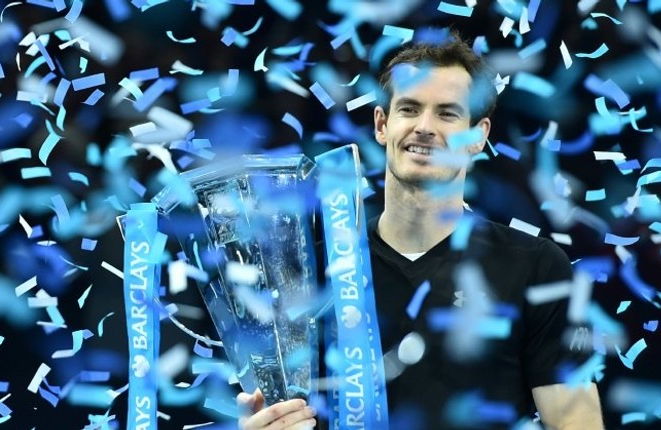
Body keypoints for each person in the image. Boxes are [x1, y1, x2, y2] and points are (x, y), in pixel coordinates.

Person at [237, 31, 605, 430]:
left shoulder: (536, 268)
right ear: (382, 125)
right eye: (409, 109)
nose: (425, 127)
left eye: (447, 113)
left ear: (478, 135)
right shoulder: (313, 274)